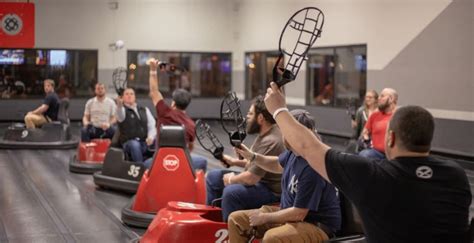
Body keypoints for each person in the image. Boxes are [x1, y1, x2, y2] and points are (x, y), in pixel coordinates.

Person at [264, 81, 472, 243]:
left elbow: (308, 147)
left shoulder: (372, 175)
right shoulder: (456, 175)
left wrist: (278, 110)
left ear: (390, 138)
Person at [228, 109, 341, 243]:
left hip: (314, 225)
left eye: (285, 130)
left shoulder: (313, 165)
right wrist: (252, 156)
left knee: (272, 238)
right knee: (236, 220)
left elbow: (299, 213)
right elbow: (277, 164)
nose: (282, 134)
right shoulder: (295, 150)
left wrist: (265, 217)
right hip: (290, 214)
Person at [205, 95, 285, 221]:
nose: (246, 117)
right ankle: (214, 222)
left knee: (232, 193)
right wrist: (234, 161)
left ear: (260, 118)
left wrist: (231, 179)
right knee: (214, 177)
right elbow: (256, 162)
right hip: (260, 181)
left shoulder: (270, 141)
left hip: (271, 191)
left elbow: (251, 178)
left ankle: (229, 232)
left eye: (250, 114)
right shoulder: (267, 132)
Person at [146, 59, 207, 172]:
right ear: (187, 105)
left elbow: (154, 91)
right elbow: (190, 147)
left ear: (173, 102)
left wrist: (153, 70)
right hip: (181, 161)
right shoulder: (191, 125)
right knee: (203, 162)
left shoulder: (164, 112)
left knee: (145, 164)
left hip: (160, 160)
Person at [116, 88, 156, 163]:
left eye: (131, 94)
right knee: (134, 144)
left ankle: (157, 165)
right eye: (126, 94)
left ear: (135, 97)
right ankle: (140, 167)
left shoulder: (144, 109)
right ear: (122, 97)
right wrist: (119, 105)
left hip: (144, 142)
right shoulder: (122, 110)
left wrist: (150, 137)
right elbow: (120, 115)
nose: (129, 96)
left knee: (156, 140)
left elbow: (152, 126)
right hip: (129, 143)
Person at [359, 88, 397, 159]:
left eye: (382, 96)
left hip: (394, 155)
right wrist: (366, 138)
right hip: (377, 152)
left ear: (391, 99)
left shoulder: (399, 116)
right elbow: (364, 133)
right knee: (364, 155)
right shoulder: (375, 115)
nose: (379, 98)